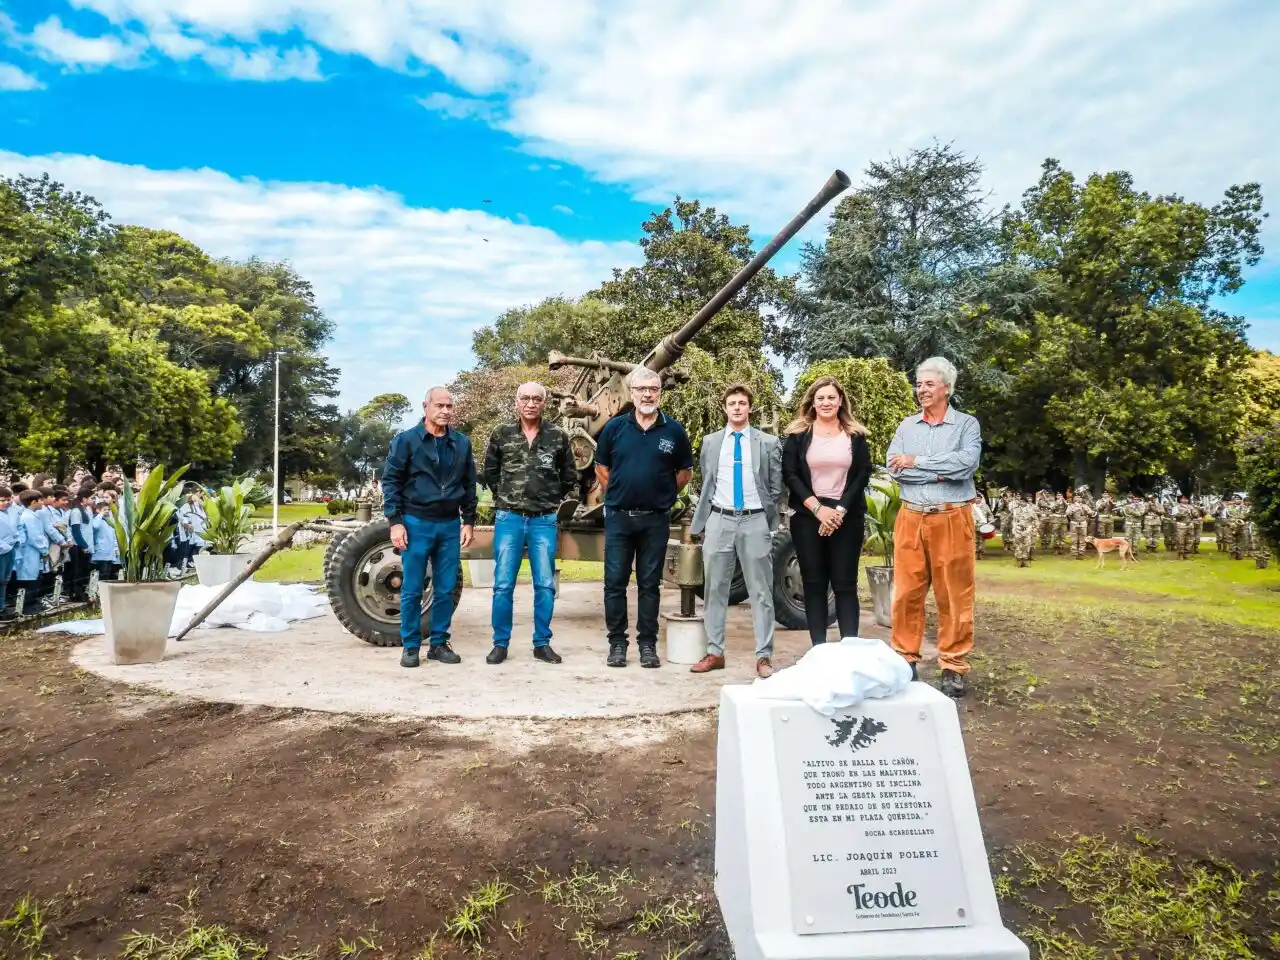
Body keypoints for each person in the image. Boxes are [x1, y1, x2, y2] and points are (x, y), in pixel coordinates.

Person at [886, 357, 981, 699]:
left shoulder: (967, 425)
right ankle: (904, 660)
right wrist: (938, 471)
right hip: (911, 516)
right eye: (919, 384)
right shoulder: (906, 427)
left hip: (952, 517)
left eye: (928, 384)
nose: (921, 390)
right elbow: (894, 468)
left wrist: (918, 461)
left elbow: (966, 464)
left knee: (954, 594)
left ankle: (953, 666)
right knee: (907, 593)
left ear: (946, 388)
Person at [593, 368, 694, 669]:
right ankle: (617, 645)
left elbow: (685, 472)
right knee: (614, 583)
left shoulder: (674, 431)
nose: (647, 394)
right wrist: (622, 492)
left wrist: (661, 495)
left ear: (660, 392)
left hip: (655, 520)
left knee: (650, 584)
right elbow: (601, 467)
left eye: (653, 389)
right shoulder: (614, 428)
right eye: (641, 389)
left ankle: (647, 645)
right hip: (620, 518)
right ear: (631, 392)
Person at [688, 384, 784, 678]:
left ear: (750, 408)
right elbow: (708, 480)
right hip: (719, 519)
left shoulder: (767, 442)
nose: (738, 408)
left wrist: (771, 520)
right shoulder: (711, 442)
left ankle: (764, 656)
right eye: (732, 403)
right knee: (714, 589)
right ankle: (715, 652)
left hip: (754, 520)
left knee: (761, 591)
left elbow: (776, 485)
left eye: (743, 403)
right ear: (725, 408)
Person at [481, 381, 577, 665]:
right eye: (525, 398)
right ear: (517, 402)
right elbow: (490, 471)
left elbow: (569, 474)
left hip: (543, 520)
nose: (531, 403)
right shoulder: (502, 433)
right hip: (509, 517)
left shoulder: (558, 436)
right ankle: (500, 644)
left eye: (537, 399)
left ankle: (542, 643)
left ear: (544, 403)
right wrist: (506, 498)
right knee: (502, 585)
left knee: (545, 584)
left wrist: (550, 500)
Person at [382, 386, 478, 669]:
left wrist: (469, 520)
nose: (445, 411)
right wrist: (395, 522)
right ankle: (410, 646)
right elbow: (391, 482)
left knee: (446, 588)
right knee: (412, 588)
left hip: (449, 524)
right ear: (426, 406)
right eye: (439, 405)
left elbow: (469, 484)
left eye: (449, 406)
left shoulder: (461, 443)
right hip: (415, 522)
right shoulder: (406, 441)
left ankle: (438, 643)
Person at [781, 376, 872, 646]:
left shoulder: (855, 436)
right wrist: (819, 510)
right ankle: (819, 648)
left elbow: (862, 475)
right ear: (812, 402)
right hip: (810, 516)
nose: (826, 402)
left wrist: (840, 510)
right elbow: (791, 474)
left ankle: (850, 648)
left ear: (840, 400)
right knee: (814, 583)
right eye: (820, 398)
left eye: (831, 397)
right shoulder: (798, 436)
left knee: (844, 585)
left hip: (847, 516)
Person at [0, 486, 19, 621]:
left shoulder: (11, 512)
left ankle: (2, 607)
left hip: (10, 550)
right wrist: (5, 546)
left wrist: (15, 540)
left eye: (8, 500)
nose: (6, 503)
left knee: (4, 580)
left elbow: (16, 529)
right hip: (2, 550)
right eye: (2, 500)